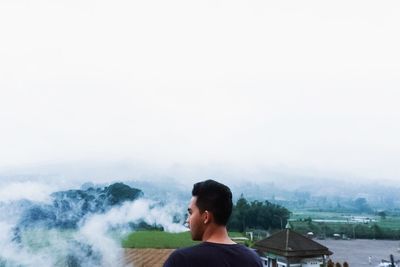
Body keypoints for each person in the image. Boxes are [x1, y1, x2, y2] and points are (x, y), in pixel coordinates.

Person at [163, 179, 263, 267]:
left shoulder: (181, 260)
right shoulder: (253, 260)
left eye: (191, 213)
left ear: (206, 217)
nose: (187, 220)